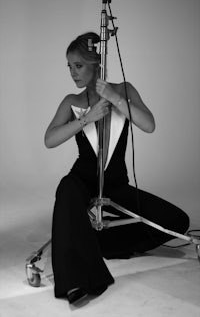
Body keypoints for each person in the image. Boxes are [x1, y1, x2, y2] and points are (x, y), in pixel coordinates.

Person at [44, 32, 190, 305]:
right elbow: (49, 140)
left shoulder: (124, 89)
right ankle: (76, 281)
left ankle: (97, 243)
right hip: (82, 180)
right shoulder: (71, 102)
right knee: (66, 188)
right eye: (70, 67)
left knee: (177, 221)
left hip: (117, 185)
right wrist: (86, 119)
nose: (73, 73)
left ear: (96, 64)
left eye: (78, 66)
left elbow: (149, 124)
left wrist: (113, 97)